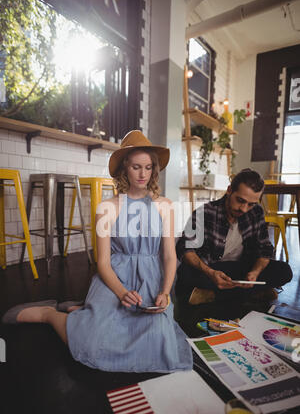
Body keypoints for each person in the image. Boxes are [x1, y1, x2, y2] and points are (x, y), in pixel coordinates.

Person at [2, 130, 193, 373]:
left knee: (160, 344)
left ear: (154, 169)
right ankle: (51, 315)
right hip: (115, 280)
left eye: (148, 167)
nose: (143, 174)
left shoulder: (165, 206)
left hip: (151, 281)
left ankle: (82, 308)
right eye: (136, 167)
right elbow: (102, 262)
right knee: (93, 343)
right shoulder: (107, 208)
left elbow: (168, 255)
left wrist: (165, 292)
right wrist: (122, 292)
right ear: (124, 168)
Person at [175, 169, 293, 309]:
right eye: (240, 201)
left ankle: (212, 295)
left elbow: (265, 249)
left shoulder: (256, 212)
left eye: (251, 204)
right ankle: (253, 293)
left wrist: (255, 272)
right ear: (229, 190)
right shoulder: (205, 212)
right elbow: (184, 247)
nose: (244, 209)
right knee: (185, 274)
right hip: (212, 268)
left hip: (241, 269)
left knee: (284, 271)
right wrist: (211, 273)